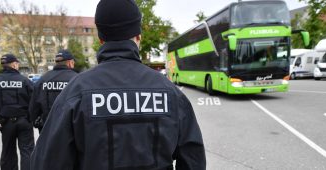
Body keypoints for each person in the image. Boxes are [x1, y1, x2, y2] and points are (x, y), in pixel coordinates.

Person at [31, 0, 206, 169]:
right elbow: (193, 160)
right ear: (138, 37)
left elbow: (46, 161)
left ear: (101, 39)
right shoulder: (170, 93)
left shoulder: (76, 92)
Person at [0, 54, 35, 170]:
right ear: (14, 64)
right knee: (27, 151)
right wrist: (34, 118)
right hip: (24, 121)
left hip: (6, 123)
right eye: (18, 64)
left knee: (8, 152)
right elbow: (35, 101)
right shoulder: (25, 81)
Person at [29, 49, 78, 132]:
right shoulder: (77, 79)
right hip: (70, 129)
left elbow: (34, 106)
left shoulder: (43, 79)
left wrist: (36, 122)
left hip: (47, 128)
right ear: (70, 63)